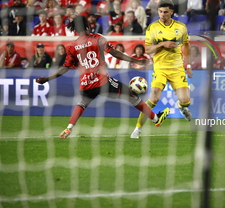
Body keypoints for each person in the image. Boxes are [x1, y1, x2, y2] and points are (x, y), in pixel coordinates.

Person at [35, 15, 170, 138]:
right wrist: (135, 61)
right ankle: (156, 119)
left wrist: (47, 79)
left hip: (85, 84)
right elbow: (114, 53)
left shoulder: (73, 46)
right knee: (131, 95)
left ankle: (69, 128)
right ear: (87, 26)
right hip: (101, 81)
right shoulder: (97, 38)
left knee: (82, 103)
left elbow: (64, 68)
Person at [130, 0, 192, 139]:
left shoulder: (181, 27)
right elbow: (148, 49)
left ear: (171, 12)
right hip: (160, 69)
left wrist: (188, 65)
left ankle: (182, 107)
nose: (162, 14)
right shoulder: (153, 28)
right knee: (153, 98)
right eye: (160, 12)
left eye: (165, 12)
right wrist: (162, 44)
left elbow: (187, 45)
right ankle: (137, 129)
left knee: (185, 100)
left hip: (177, 69)